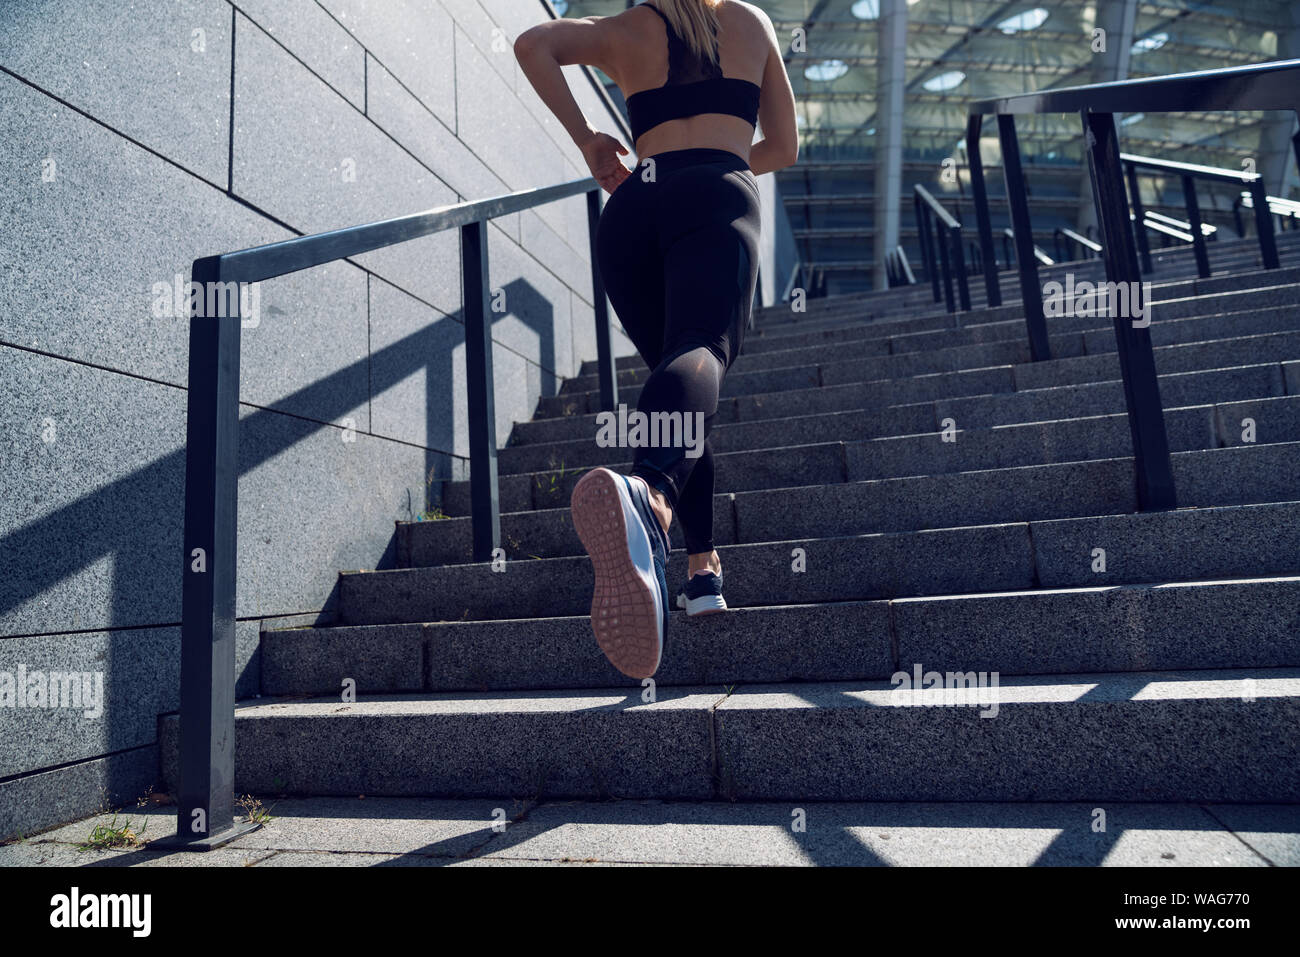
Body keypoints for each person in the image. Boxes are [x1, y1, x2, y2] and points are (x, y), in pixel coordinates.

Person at [514, 0, 798, 679]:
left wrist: (587, 136)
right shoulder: (751, 24)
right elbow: (784, 148)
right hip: (717, 197)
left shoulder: (626, 29)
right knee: (700, 352)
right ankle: (649, 494)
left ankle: (702, 570)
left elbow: (531, 44)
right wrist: (722, 164)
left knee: (682, 377)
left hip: (633, 208)